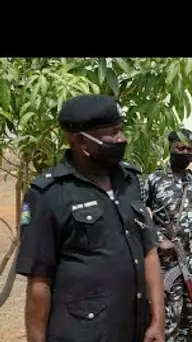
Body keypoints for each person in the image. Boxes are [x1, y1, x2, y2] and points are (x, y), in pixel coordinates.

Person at [15, 94, 165, 342]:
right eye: (113, 133)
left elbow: (149, 253)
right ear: (80, 140)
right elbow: (39, 284)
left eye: (121, 130)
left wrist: (158, 320)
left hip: (135, 330)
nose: (122, 139)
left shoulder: (129, 181)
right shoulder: (49, 194)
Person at [142, 128, 192, 342]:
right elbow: (135, 214)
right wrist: (157, 239)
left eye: (189, 148)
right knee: (167, 324)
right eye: (180, 148)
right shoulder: (155, 179)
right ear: (171, 148)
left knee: (189, 324)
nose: (184, 152)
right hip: (168, 267)